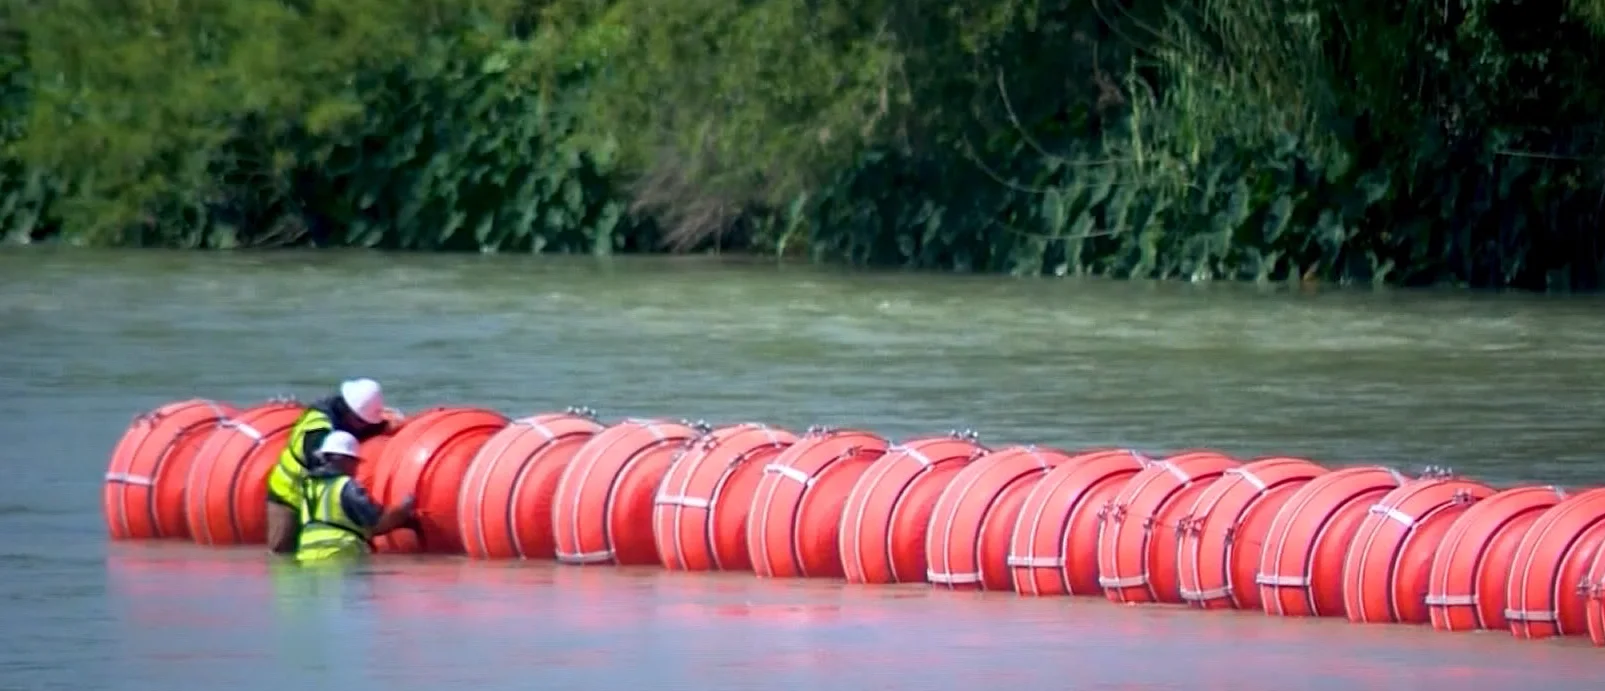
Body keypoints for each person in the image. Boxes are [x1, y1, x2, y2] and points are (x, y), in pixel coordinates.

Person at [265, 378, 393, 554]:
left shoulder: (341, 420)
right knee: (282, 551)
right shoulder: (317, 428)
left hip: (312, 493)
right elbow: (324, 465)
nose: (363, 427)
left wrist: (383, 426)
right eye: (362, 422)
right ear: (349, 413)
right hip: (288, 492)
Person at [294, 431, 416, 562]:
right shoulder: (346, 486)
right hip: (340, 554)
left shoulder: (307, 485)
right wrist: (404, 508)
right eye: (355, 463)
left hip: (307, 556)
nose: (355, 468)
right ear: (346, 460)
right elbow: (376, 521)